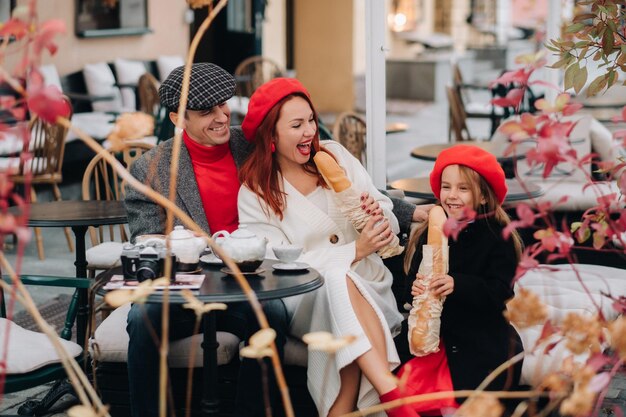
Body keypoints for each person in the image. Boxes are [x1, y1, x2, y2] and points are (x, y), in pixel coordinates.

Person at [237, 77, 419, 417]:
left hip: (370, 283)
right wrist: (353, 251)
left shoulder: (335, 155)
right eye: (296, 125)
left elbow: (389, 224)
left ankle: (357, 401)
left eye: (310, 120)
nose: (309, 131)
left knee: (342, 280)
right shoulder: (255, 191)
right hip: (304, 296)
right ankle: (390, 392)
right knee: (336, 277)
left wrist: (376, 218)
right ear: (270, 136)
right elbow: (271, 262)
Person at [124, 63, 289, 417]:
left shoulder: (250, 145)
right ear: (177, 118)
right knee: (141, 320)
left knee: (274, 313)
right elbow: (145, 240)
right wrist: (197, 245)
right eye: (205, 112)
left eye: (223, 105)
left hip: (246, 282)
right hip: (183, 288)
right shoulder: (150, 168)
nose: (221, 117)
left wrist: (402, 210)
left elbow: (312, 153)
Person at [398, 145, 524, 414]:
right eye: (446, 187)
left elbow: (500, 289)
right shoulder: (427, 232)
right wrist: (415, 289)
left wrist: (458, 284)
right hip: (434, 337)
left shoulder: (498, 236)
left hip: (480, 337)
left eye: (463, 188)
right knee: (403, 386)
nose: (451, 196)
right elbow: (407, 284)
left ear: (482, 196)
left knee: (465, 396)